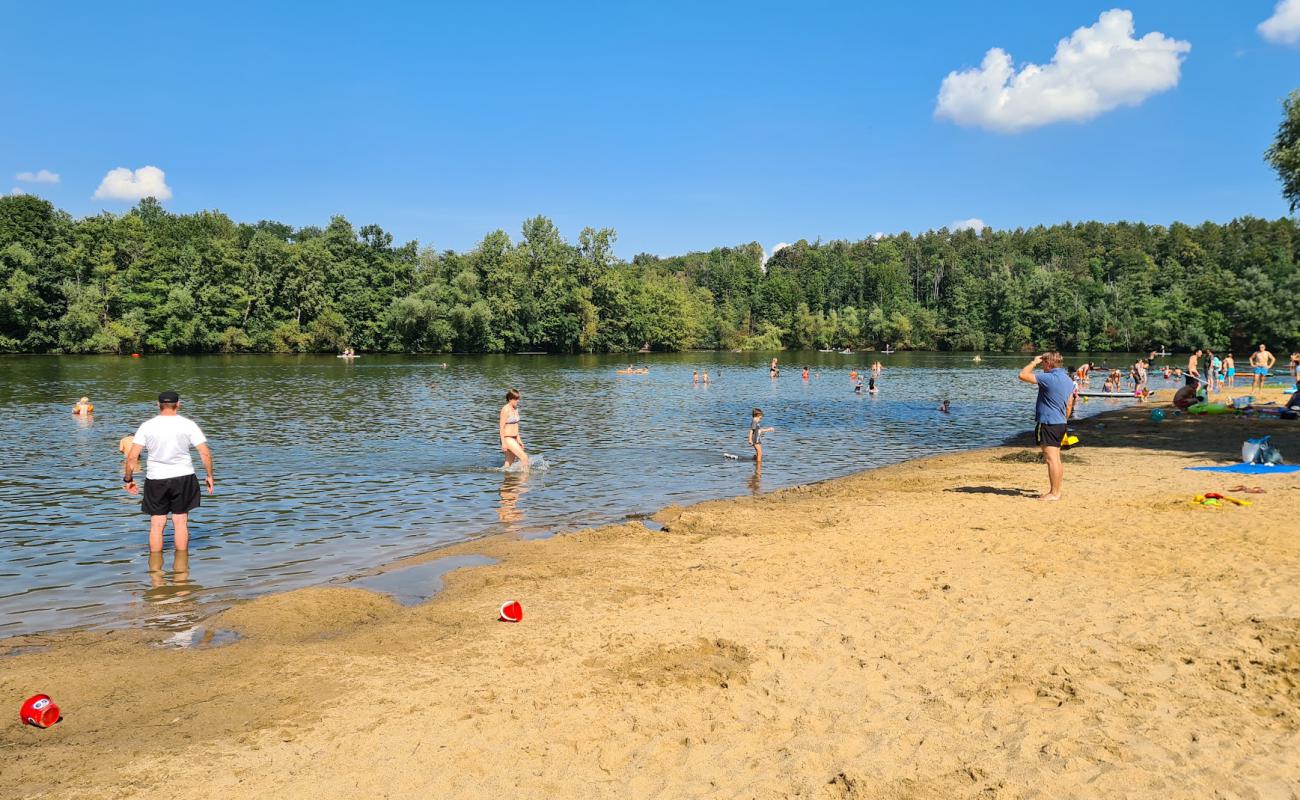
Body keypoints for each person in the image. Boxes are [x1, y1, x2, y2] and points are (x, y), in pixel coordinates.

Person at [122, 391, 214, 554]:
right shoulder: (188, 424)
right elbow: (205, 453)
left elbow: (132, 457)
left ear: (158, 405)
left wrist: (128, 479)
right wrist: (209, 475)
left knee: (157, 524)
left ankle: (155, 567)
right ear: (178, 404)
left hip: (156, 479)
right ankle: (182, 566)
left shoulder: (147, 426)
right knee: (180, 522)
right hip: (183, 477)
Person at [1018, 352, 1075, 501]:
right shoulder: (1068, 380)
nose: (1042, 366)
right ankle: (1057, 491)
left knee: (1051, 459)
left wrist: (1033, 362)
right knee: (1056, 458)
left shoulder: (1048, 377)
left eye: (1043, 363)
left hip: (1049, 423)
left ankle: (1054, 493)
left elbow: (1022, 375)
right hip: (1061, 422)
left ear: (1048, 364)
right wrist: (1064, 419)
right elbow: (1069, 404)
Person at [499, 388, 528, 471]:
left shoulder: (516, 409)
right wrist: (503, 443)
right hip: (507, 438)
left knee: (508, 464)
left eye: (518, 399)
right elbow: (501, 427)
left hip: (514, 438)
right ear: (510, 399)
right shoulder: (505, 409)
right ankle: (524, 477)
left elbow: (516, 425)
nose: (518, 401)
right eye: (516, 399)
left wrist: (519, 439)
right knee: (524, 458)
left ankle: (505, 478)